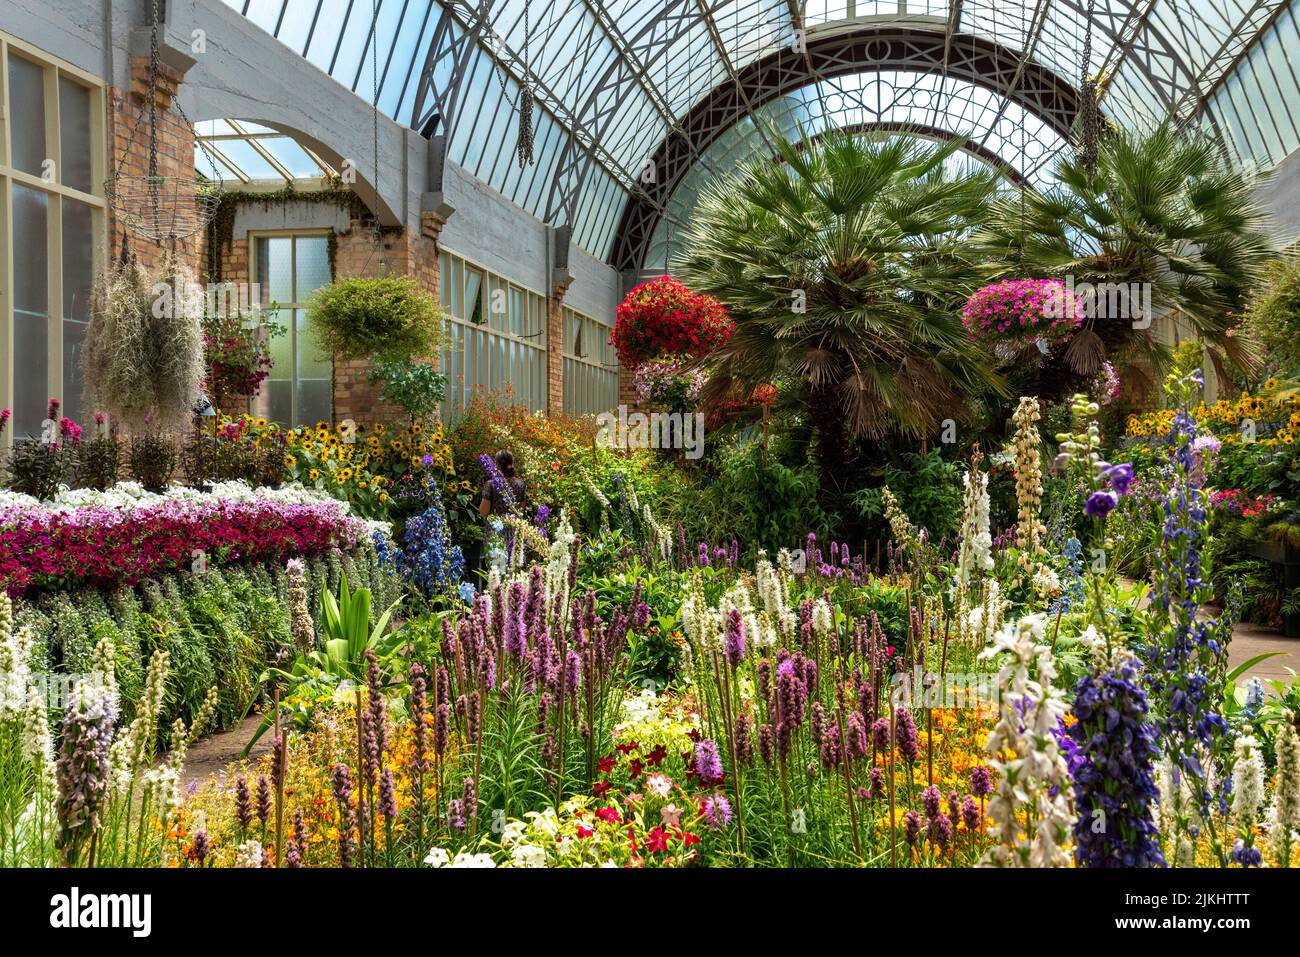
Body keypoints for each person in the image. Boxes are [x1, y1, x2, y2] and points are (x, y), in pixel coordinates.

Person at [478, 449, 527, 519]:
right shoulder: (521, 484)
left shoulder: (490, 484)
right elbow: (521, 512)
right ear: (512, 463)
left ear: (497, 465)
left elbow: (483, 512)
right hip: (515, 527)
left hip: (495, 528)